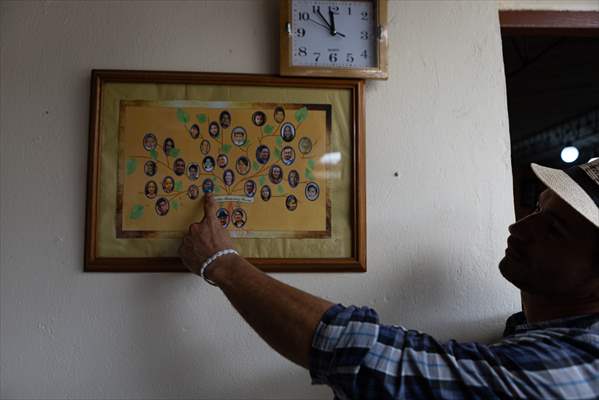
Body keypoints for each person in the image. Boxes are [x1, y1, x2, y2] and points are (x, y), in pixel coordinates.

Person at [179, 159, 599, 399]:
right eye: (537, 209)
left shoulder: (575, 368)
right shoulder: (534, 332)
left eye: (555, 229)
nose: (520, 229)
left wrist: (225, 264)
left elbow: (381, 361)